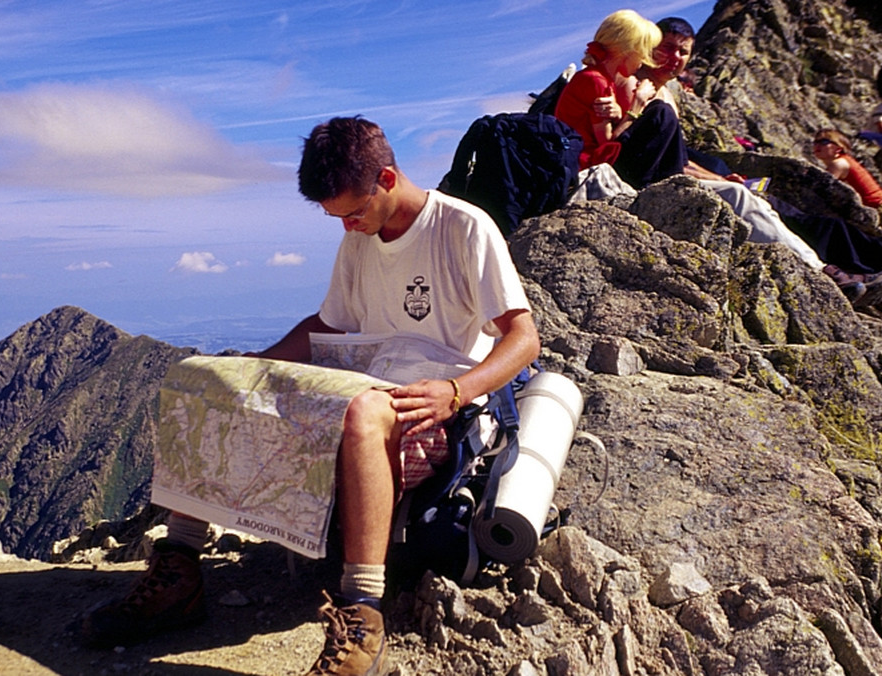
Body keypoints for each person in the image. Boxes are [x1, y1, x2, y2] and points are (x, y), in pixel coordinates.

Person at [80, 116, 540, 676]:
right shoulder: (361, 238)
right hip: (365, 381)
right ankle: (178, 569)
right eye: (335, 218)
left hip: (435, 404)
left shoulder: (464, 228)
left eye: (351, 212)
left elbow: (523, 337)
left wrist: (454, 390)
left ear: (388, 179)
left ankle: (363, 611)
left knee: (366, 411)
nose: (346, 228)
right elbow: (329, 324)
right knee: (199, 377)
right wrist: (254, 366)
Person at [594, 17, 882, 307]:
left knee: (754, 200)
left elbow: (677, 156)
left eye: (683, 51)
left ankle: (827, 272)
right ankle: (825, 275)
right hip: (641, 184)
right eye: (667, 48)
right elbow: (619, 144)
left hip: (667, 176)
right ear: (650, 48)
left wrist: (720, 178)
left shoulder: (665, 94)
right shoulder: (633, 85)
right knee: (742, 199)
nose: (675, 57)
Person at [554, 9, 687, 188]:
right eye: (643, 53)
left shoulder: (599, 79)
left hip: (587, 161)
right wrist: (638, 103)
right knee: (661, 113)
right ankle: (668, 186)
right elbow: (608, 144)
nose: (643, 62)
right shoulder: (595, 81)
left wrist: (619, 115)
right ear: (628, 51)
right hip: (587, 166)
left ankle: (672, 184)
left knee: (660, 111)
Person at [811, 129, 882, 235]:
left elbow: (820, 189)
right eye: (815, 142)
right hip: (873, 212)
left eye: (824, 142)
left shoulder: (839, 164)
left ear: (838, 148)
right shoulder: (842, 161)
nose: (817, 146)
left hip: (881, 212)